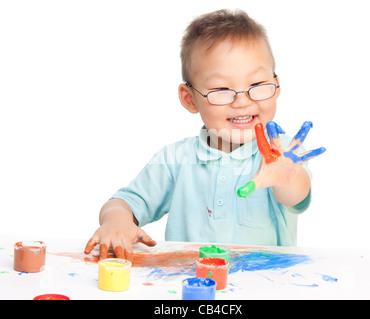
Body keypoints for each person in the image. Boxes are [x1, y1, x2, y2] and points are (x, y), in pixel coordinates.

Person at [84, 9, 325, 262]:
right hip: (189, 285)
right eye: (221, 89)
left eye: (256, 85)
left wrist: (285, 177)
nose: (242, 102)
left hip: (265, 285)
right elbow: (123, 202)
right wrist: (116, 221)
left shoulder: (281, 153)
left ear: (276, 88)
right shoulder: (175, 159)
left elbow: (296, 198)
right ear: (190, 99)